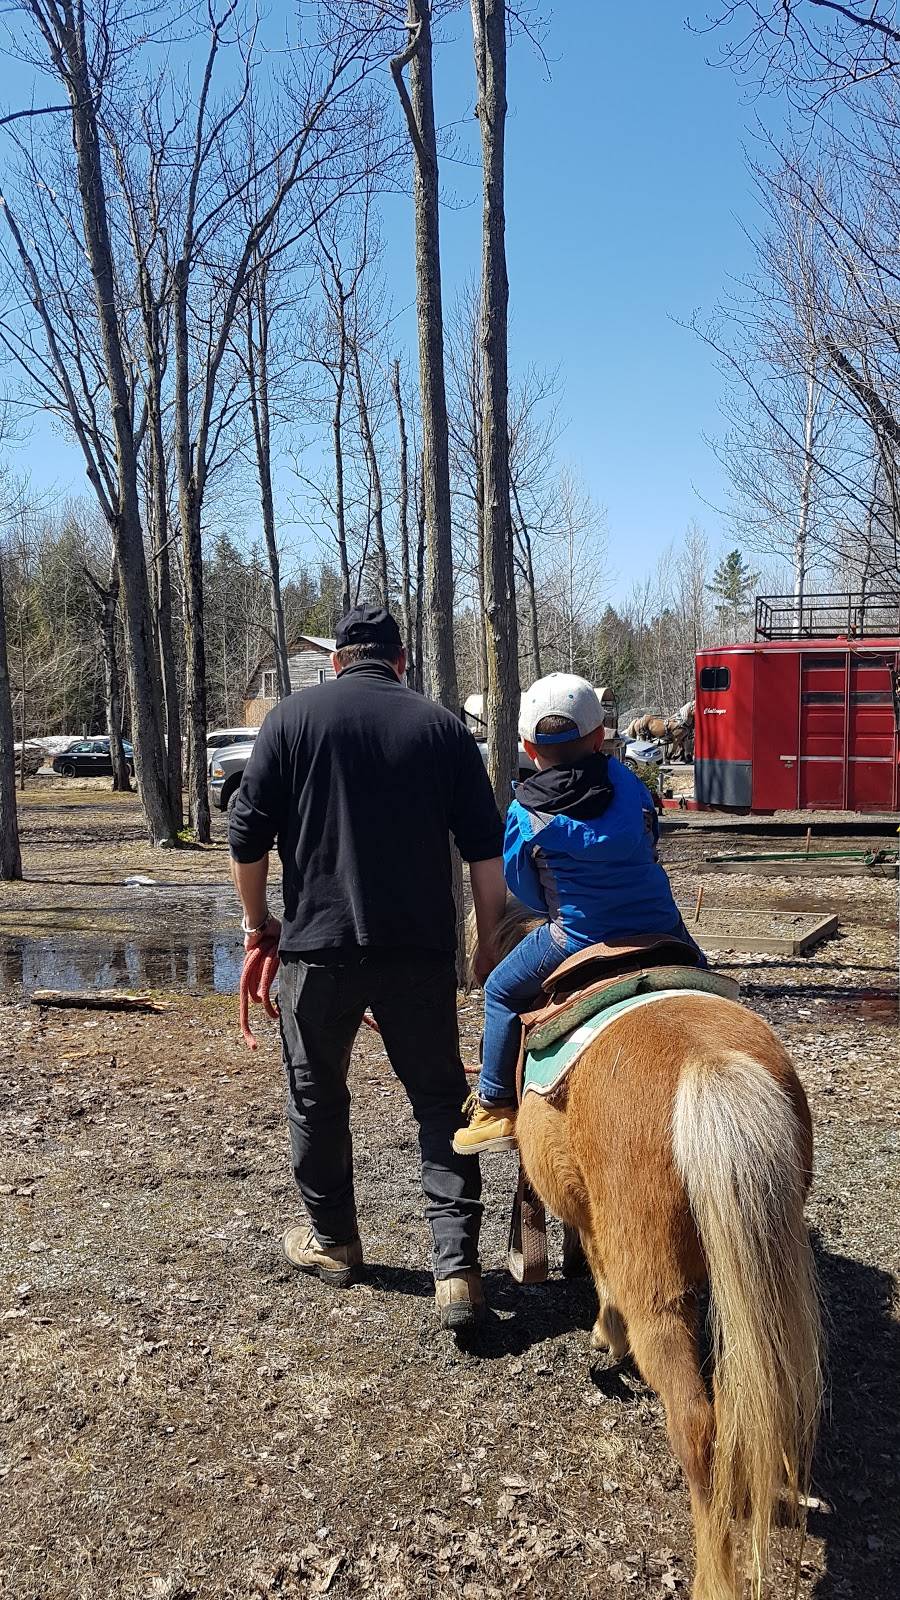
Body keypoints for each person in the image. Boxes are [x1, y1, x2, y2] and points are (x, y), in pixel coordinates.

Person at [228, 605, 506, 1331]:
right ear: (401, 661)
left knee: (316, 1096)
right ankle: (457, 1270)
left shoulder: (290, 721)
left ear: (338, 661)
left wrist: (258, 925)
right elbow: (485, 848)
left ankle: (335, 1241)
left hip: (317, 950)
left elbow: (246, 835)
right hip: (417, 952)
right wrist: (488, 942)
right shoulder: (442, 728)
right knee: (440, 1102)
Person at [453, 672, 705, 1155]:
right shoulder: (629, 786)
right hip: (660, 924)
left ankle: (495, 1105)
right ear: (597, 737)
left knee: (501, 989)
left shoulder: (525, 812)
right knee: (703, 978)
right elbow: (650, 841)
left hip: (575, 935)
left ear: (529, 748)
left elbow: (523, 885)